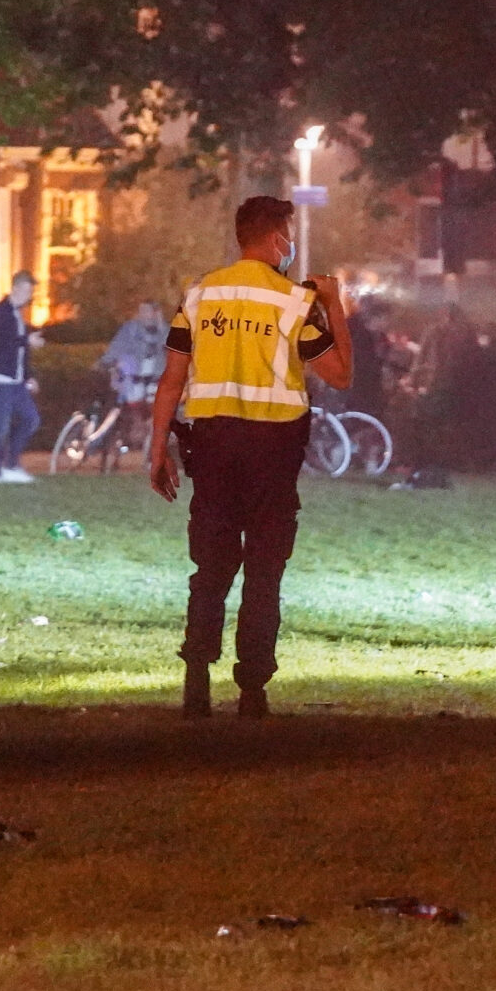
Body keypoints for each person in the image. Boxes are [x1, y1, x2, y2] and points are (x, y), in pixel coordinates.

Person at [149, 195, 352, 720]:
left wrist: (157, 450)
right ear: (276, 239)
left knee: (210, 567)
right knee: (264, 570)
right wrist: (334, 303)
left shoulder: (199, 296)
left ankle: (197, 677)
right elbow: (341, 374)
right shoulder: (291, 301)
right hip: (272, 451)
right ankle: (252, 690)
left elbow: (172, 379)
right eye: (289, 235)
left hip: (212, 448)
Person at [0, 271, 44, 482]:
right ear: (15, 288)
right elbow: (0, 341)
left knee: (31, 419)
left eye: (31, 292)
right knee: (1, 424)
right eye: (26, 290)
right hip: (0, 377)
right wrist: (26, 340)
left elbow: (20, 351)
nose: (29, 295)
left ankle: (9, 463)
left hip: (15, 380)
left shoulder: (17, 314)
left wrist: (28, 376)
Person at [101, 299, 170, 408]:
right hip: (134, 381)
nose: (144, 314)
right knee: (134, 410)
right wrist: (106, 363)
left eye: (147, 311)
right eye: (141, 311)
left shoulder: (166, 331)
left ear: (155, 312)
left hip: (156, 381)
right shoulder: (130, 329)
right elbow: (117, 347)